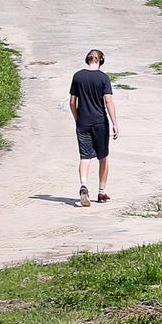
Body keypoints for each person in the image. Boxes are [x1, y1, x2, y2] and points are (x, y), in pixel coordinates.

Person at [68, 49, 120, 207]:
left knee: (85, 157)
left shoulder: (78, 76)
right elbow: (108, 102)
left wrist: (78, 118)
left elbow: (72, 102)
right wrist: (115, 123)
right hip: (100, 123)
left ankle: (83, 185)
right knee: (102, 157)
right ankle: (101, 192)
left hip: (83, 122)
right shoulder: (103, 78)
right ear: (101, 61)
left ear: (87, 60)